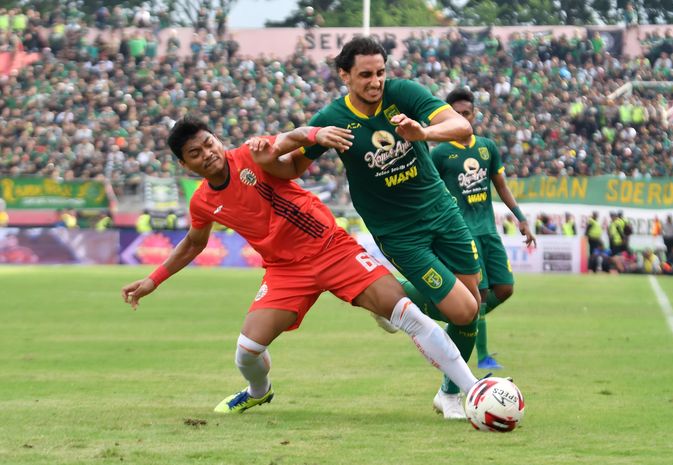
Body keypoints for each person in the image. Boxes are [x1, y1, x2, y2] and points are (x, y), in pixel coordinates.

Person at [120, 115, 483, 414]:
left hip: (332, 249)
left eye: (209, 144)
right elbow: (193, 243)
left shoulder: (250, 153)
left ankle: (475, 392)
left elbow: (288, 139)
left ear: (217, 139)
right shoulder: (201, 202)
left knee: (408, 315)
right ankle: (258, 390)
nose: (207, 154)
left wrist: (315, 134)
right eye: (195, 153)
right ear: (185, 164)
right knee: (246, 351)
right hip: (285, 271)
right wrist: (153, 280)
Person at [288, 37, 485, 420]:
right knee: (462, 310)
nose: (376, 81)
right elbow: (291, 166)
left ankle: (445, 390)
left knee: (473, 306)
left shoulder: (403, 93)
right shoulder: (332, 116)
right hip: (400, 233)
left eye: (380, 72)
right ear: (344, 75)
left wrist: (423, 134)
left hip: (441, 211)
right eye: (365, 75)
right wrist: (309, 136)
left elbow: (459, 125)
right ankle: (448, 379)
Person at [429, 87, 536, 374]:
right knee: (480, 293)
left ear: (474, 114)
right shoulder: (440, 153)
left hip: (488, 230)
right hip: (462, 233)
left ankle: (458, 323)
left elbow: (500, 185)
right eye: (457, 114)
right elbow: (430, 192)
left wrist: (520, 218)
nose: (463, 117)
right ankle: (483, 354)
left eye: (466, 113)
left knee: (505, 288)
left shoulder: (487, 147)